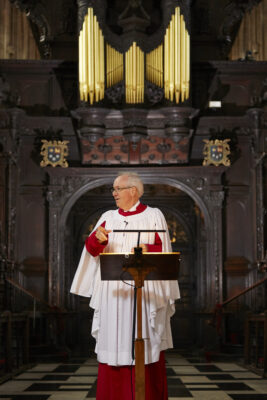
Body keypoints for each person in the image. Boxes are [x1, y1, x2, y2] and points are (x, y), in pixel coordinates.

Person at [70, 172, 180, 399]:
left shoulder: (154, 215)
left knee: (146, 345)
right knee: (114, 345)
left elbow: (164, 250)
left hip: (145, 290)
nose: (114, 193)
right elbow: (91, 249)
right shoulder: (108, 217)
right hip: (114, 293)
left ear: (134, 191)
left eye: (118, 189)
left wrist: (147, 251)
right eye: (114, 189)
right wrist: (97, 239)